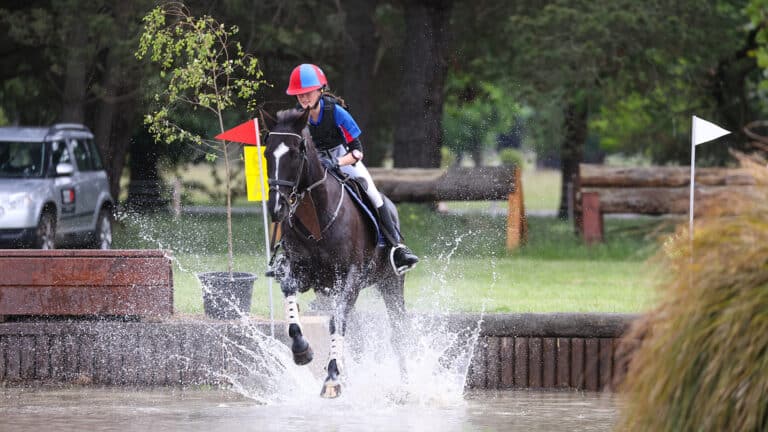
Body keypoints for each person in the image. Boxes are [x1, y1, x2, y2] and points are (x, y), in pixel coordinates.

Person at [285, 63, 419, 274]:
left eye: (307, 93)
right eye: (299, 94)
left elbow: (357, 151)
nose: (303, 98)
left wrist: (336, 163)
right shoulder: (296, 117)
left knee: (372, 192)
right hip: (313, 163)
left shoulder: (336, 113)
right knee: (289, 194)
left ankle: (397, 247)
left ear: (320, 90)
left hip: (343, 158)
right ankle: (286, 253)